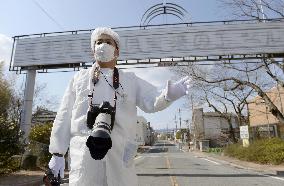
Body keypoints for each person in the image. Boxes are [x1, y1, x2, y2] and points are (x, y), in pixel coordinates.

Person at [48, 27, 191, 186]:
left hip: (121, 154)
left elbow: (151, 100)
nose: (103, 45)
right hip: (84, 154)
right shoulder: (79, 78)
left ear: (117, 51)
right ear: (92, 50)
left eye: (108, 42)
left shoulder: (129, 80)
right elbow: (64, 115)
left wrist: (167, 96)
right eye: (99, 42)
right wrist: (57, 153)